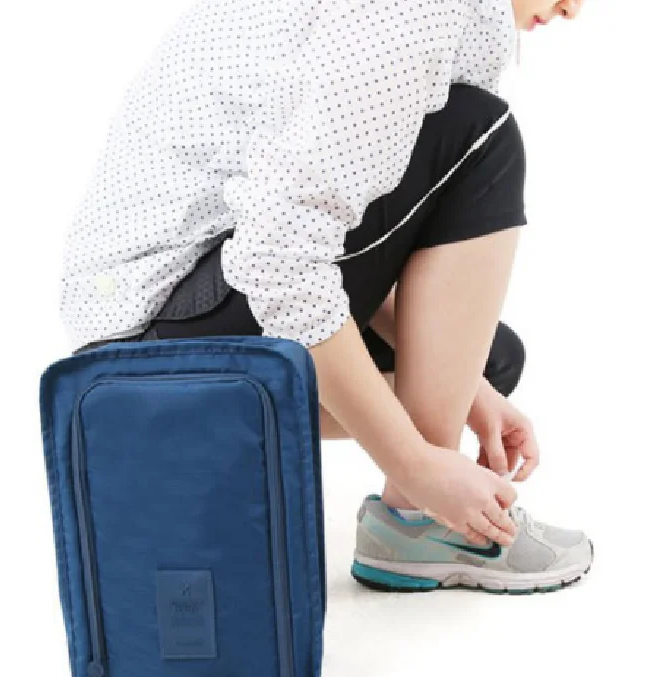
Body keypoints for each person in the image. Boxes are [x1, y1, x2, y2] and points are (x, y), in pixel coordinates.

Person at [61, 0, 593, 594]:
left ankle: (398, 506)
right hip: (152, 343)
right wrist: (417, 468)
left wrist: (468, 388)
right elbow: (278, 257)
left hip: (163, 331)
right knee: (480, 136)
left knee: (484, 360)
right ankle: (419, 523)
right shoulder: (416, 9)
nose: (572, 9)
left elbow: (316, 244)